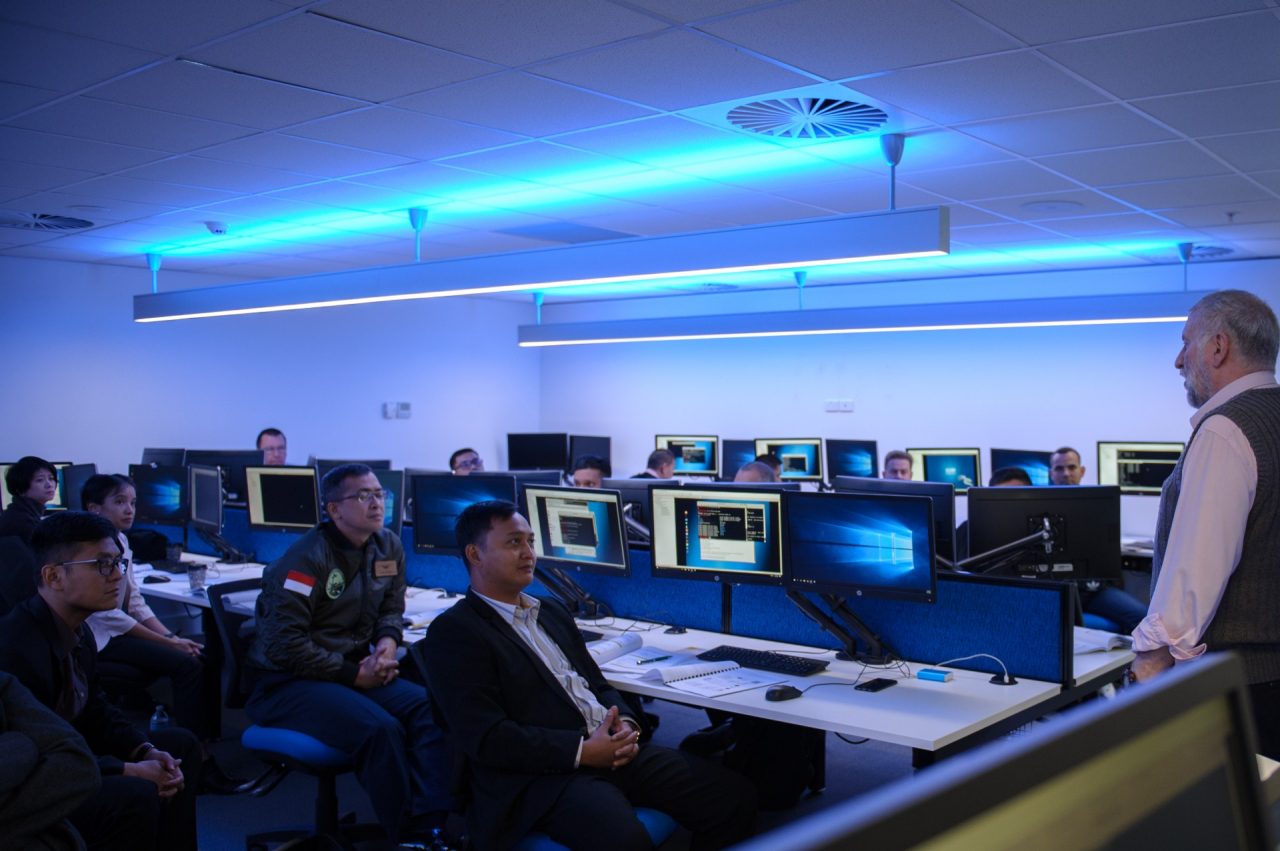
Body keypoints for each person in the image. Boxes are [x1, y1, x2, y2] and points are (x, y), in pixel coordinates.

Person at [422, 500, 756, 851]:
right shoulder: (456, 632)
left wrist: (626, 722)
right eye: (513, 542)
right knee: (624, 842)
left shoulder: (549, 610)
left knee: (734, 798)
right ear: (475, 554)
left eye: (530, 542)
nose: (528, 553)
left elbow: (595, 685)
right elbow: (488, 738)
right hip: (544, 776)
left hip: (611, 749)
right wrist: (582, 751)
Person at [245, 463, 453, 844]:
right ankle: (404, 835)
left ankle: (432, 824)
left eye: (379, 494)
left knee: (429, 708)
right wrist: (354, 675)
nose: (376, 503)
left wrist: (387, 647)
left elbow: (391, 608)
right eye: (363, 495)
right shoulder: (304, 562)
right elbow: (283, 645)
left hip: (352, 668)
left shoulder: (387, 544)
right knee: (380, 729)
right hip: (286, 682)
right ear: (334, 510)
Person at [1130, 289, 1280, 759]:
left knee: (1225, 826)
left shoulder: (1225, 429)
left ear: (1217, 348)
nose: (1178, 360)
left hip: (1240, 685)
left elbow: (1195, 572)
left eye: (1185, 342)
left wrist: (1149, 673)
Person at [0, 512, 201, 851]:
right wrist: (126, 770)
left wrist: (145, 751)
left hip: (77, 755)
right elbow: (36, 759)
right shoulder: (15, 648)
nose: (117, 577)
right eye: (102, 564)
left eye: (119, 564)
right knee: (134, 794)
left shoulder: (80, 632)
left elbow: (94, 710)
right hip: (38, 784)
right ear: (54, 576)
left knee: (179, 746)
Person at [81, 474, 241, 793]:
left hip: (118, 632)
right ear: (94, 508)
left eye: (133, 502)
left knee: (199, 654)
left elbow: (134, 600)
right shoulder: (88, 549)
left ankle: (201, 744)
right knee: (186, 664)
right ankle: (200, 761)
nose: (130, 510)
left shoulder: (121, 542)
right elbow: (111, 616)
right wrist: (168, 641)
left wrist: (170, 636)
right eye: (120, 502)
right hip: (96, 640)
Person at [1049, 445, 1149, 634]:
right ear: (1051, 473)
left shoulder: (1098, 506)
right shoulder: (1037, 509)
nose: (1066, 474)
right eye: (1059, 468)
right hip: (1057, 592)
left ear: (1082, 471)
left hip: (1094, 590)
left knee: (1143, 618)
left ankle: (1135, 664)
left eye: (1071, 467)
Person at [0, 669, 101, 851]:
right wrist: (24, 748)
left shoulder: (4, 685)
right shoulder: (18, 652)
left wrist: (142, 749)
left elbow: (79, 765)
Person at [0, 456, 57, 545]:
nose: (49, 484)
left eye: (51, 478)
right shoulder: (24, 522)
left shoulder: (21, 512)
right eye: (40, 480)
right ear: (20, 488)